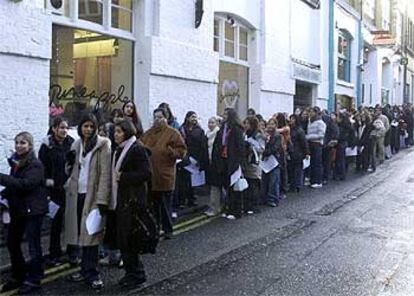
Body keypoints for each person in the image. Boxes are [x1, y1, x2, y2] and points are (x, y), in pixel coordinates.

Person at [65, 113, 111, 290]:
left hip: (93, 196)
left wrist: (102, 199)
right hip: (77, 194)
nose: (88, 129)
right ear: (80, 127)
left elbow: (106, 174)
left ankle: (93, 273)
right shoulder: (76, 144)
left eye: (92, 126)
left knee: (91, 235)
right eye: (85, 126)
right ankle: (84, 270)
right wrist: (68, 164)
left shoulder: (103, 144)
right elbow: (72, 170)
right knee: (80, 235)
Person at [0, 132, 48, 294]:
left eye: (23, 143)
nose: (19, 146)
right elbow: (14, 185)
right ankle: (18, 275)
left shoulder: (35, 164)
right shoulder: (16, 162)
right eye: (17, 143)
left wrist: (2, 178)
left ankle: (34, 278)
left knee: (33, 246)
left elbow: (25, 185)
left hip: (33, 210)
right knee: (12, 242)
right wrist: (3, 195)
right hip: (19, 209)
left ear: (30, 146)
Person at [111, 119, 152, 287]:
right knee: (124, 239)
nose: (116, 135)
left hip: (133, 201)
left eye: (119, 132)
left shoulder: (137, 149)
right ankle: (132, 273)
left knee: (129, 239)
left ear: (127, 132)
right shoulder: (120, 149)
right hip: (122, 200)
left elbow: (146, 173)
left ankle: (136, 274)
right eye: (115, 132)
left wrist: (124, 177)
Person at [141, 108, 187, 239]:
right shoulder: (148, 133)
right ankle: (155, 228)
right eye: (155, 117)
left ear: (166, 118)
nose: (157, 120)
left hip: (165, 175)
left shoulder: (173, 133)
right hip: (150, 175)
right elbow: (140, 145)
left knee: (165, 205)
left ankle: (168, 229)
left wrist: (172, 152)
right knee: (153, 205)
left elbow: (182, 151)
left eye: (160, 117)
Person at [38, 117, 74, 266]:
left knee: (72, 223)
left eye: (66, 128)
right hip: (54, 191)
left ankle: (73, 252)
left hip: (69, 189)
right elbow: (41, 168)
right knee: (56, 224)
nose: (64, 131)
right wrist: (47, 184)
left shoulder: (72, 143)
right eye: (61, 127)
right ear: (54, 129)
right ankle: (55, 254)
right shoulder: (47, 145)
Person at [211, 108, 245, 220]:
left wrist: (238, 162)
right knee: (226, 186)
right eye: (223, 113)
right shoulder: (222, 128)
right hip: (223, 161)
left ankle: (236, 211)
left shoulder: (236, 129)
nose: (223, 115)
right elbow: (217, 144)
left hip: (233, 161)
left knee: (234, 188)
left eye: (226, 114)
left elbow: (240, 147)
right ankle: (227, 208)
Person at [177, 111, 208, 208]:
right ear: (187, 118)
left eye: (195, 117)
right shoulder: (181, 129)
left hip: (195, 158)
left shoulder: (200, 130)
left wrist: (200, 160)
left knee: (192, 181)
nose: (194, 119)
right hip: (184, 158)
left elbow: (203, 146)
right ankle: (182, 200)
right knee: (182, 181)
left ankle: (191, 199)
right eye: (192, 117)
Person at [242, 116, 265, 213]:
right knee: (247, 184)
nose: (245, 125)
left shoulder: (258, 135)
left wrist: (250, 143)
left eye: (247, 123)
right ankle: (247, 205)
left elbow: (261, 148)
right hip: (247, 162)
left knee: (254, 184)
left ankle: (254, 206)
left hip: (254, 163)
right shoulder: (245, 134)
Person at [261, 118, 283, 207]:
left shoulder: (277, 136)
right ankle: (264, 197)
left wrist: (266, 152)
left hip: (274, 160)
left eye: (272, 124)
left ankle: (273, 198)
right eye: (269, 124)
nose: (270, 126)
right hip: (265, 160)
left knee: (274, 180)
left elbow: (276, 147)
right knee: (265, 180)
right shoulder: (265, 135)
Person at [205, 116, 222, 217]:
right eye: (209, 122)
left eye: (212, 123)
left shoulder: (218, 134)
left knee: (215, 187)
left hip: (216, 163)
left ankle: (215, 207)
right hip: (209, 163)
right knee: (214, 186)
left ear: (217, 124)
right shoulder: (207, 134)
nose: (210, 124)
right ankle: (215, 206)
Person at [306, 107, 326, 188]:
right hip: (311, 144)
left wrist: (309, 137)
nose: (310, 113)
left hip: (317, 144)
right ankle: (312, 180)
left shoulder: (320, 123)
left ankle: (318, 181)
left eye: (312, 112)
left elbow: (321, 135)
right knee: (312, 163)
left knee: (317, 163)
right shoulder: (310, 121)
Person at [288, 114, 309, 193]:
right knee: (292, 169)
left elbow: (304, 142)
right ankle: (293, 185)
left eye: (292, 119)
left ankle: (297, 185)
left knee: (298, 169)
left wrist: (306, 152)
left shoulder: (299, 130)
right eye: (290, 119)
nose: (291, 120)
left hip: (298, 152)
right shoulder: (290, 129)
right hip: (292, 152)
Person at [334, 111, 354, 180]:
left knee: (340, 159)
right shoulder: (347, 124)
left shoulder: (343, 125)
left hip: (342, 143)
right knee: (341, 159)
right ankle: (340, 173)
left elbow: (342, 135)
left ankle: (341, 174)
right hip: (343, 143)